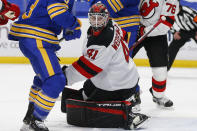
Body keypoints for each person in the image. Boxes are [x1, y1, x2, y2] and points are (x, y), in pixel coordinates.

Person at [61, 3, 149, 130]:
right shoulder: (114, 24)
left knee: (90, 104)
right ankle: (131, 96)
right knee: (86, 90)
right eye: (93, 18)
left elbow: (87, 69)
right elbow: (124, 35)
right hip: (129, 76)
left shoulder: (102, 41)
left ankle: (125, 112)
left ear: (106, 18)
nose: (96, 22)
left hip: (117, 85)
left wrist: (64, 76)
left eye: (100, 18)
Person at [8, 0, 81, 131]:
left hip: (33, 36)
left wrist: (67, 27)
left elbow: (52, 12)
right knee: (55, 80)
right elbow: (57, 13)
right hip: (37, 38)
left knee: (43, 79)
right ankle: (36, 121)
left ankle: (30, 118)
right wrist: (74, 24)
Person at [86, 0, 141, 111]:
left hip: (126, 26)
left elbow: (110, 6)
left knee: (122, 64)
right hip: (108, 24)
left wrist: (98, 8)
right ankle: (104, 94)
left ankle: (133, 96)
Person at [132, 0, 180, 108]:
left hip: (156, 35)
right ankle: (130, 95)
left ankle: (158, 95)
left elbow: (166, 23)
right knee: (123, 62)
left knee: (160, 70)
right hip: (134, 29)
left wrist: (144, 31)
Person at [168, 5, 197, 71]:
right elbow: (167, 22)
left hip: (195, 30)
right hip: (183, 31)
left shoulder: (186, 10)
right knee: (172, 49)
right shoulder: (170, 12)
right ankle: (165, 69)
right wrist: (174, 32)